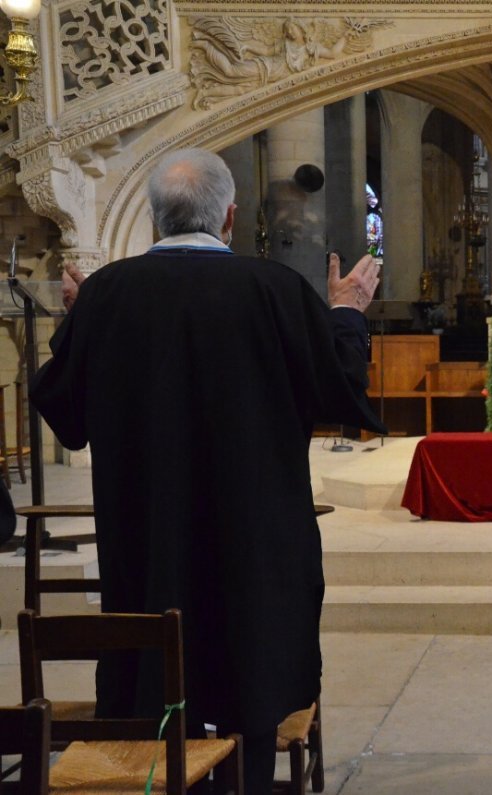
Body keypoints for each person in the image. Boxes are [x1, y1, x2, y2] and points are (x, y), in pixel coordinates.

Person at [31, 148, 386, 795]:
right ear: (230, 215)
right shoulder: (276, 290)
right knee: (249, 684)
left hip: (148, 552)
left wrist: (81, 323)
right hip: (253, 553)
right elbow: (342, 396)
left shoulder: (109, 293)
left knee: (153, 683)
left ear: (155, 218)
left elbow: (63, 411)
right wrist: (346, 314)